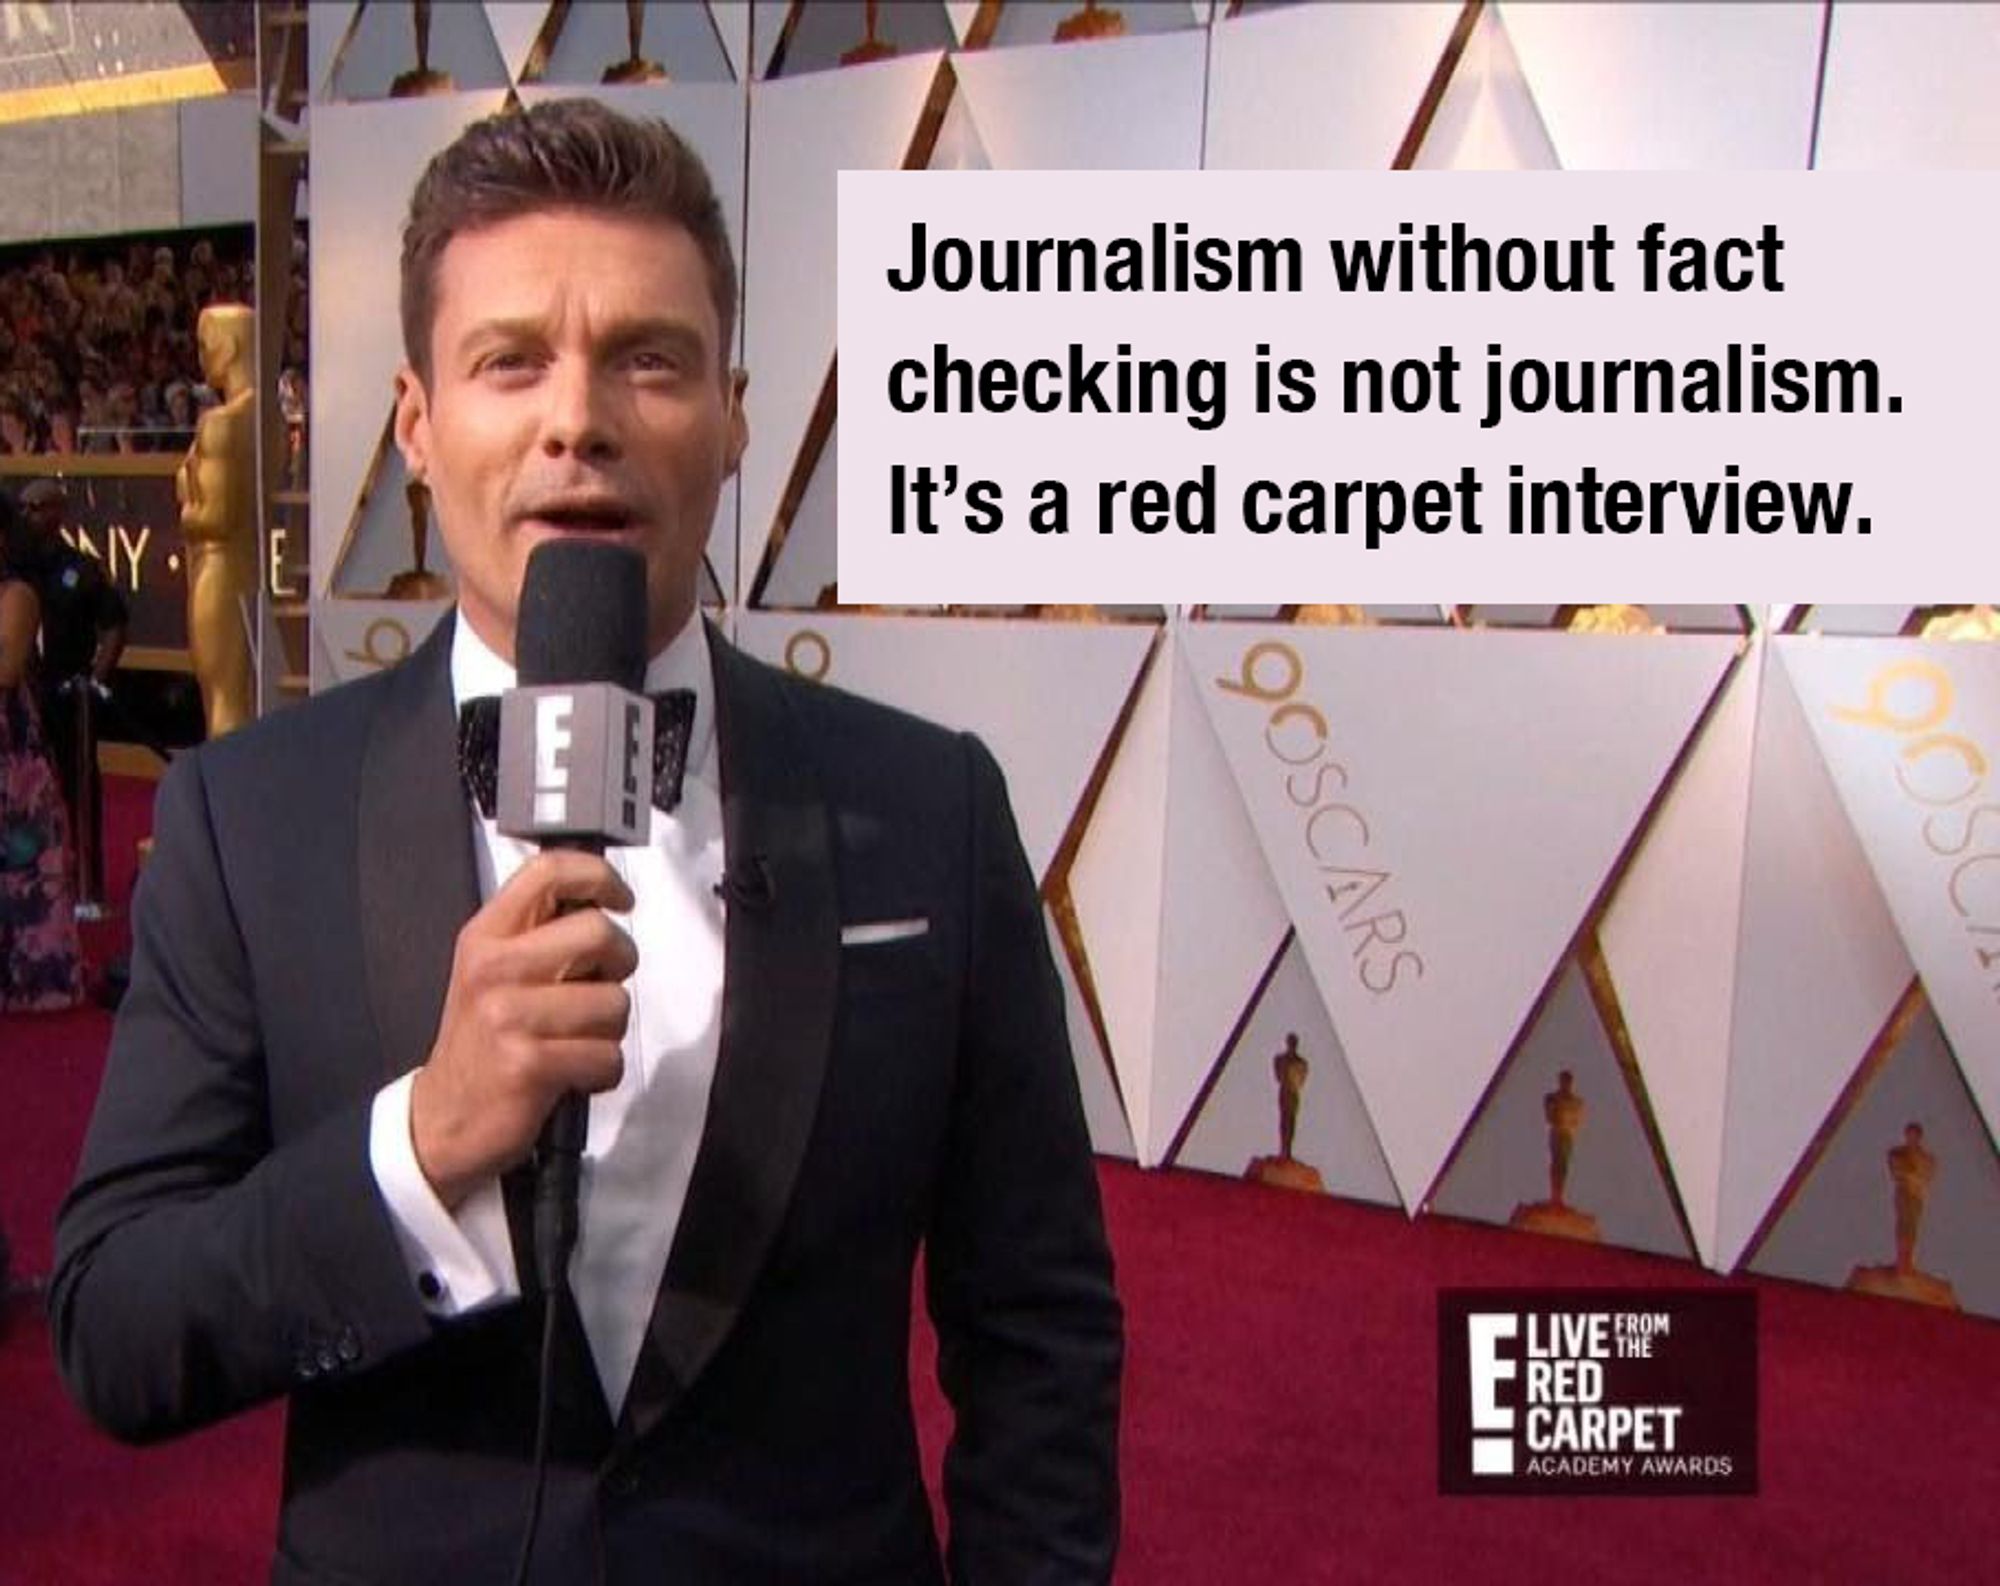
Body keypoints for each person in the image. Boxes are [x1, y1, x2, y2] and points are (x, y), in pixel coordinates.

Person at [53, 98, 1121, 1583]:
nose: (580, 417)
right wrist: (421, 1148)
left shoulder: (930, 808)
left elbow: (1041, 1326)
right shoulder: (249, 817)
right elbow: (115, 1328)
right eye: (510, 361)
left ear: (735, 414)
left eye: (649, 357)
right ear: (418, 423)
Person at [7, 479, 126, 903]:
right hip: (24, 699)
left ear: (56, 512)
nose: (27, 518)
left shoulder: (82, 569)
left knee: (80, 789)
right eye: (22, 511)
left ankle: (88, 885)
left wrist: (95, 679)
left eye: (34, 508)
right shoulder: (15, 572)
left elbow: (113, 624)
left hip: (69, 695)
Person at [0, 491, 85, 1012]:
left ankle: (33, 977)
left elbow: (6, 667)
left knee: (22, 862)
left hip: (12, 763)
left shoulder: (16, 594)